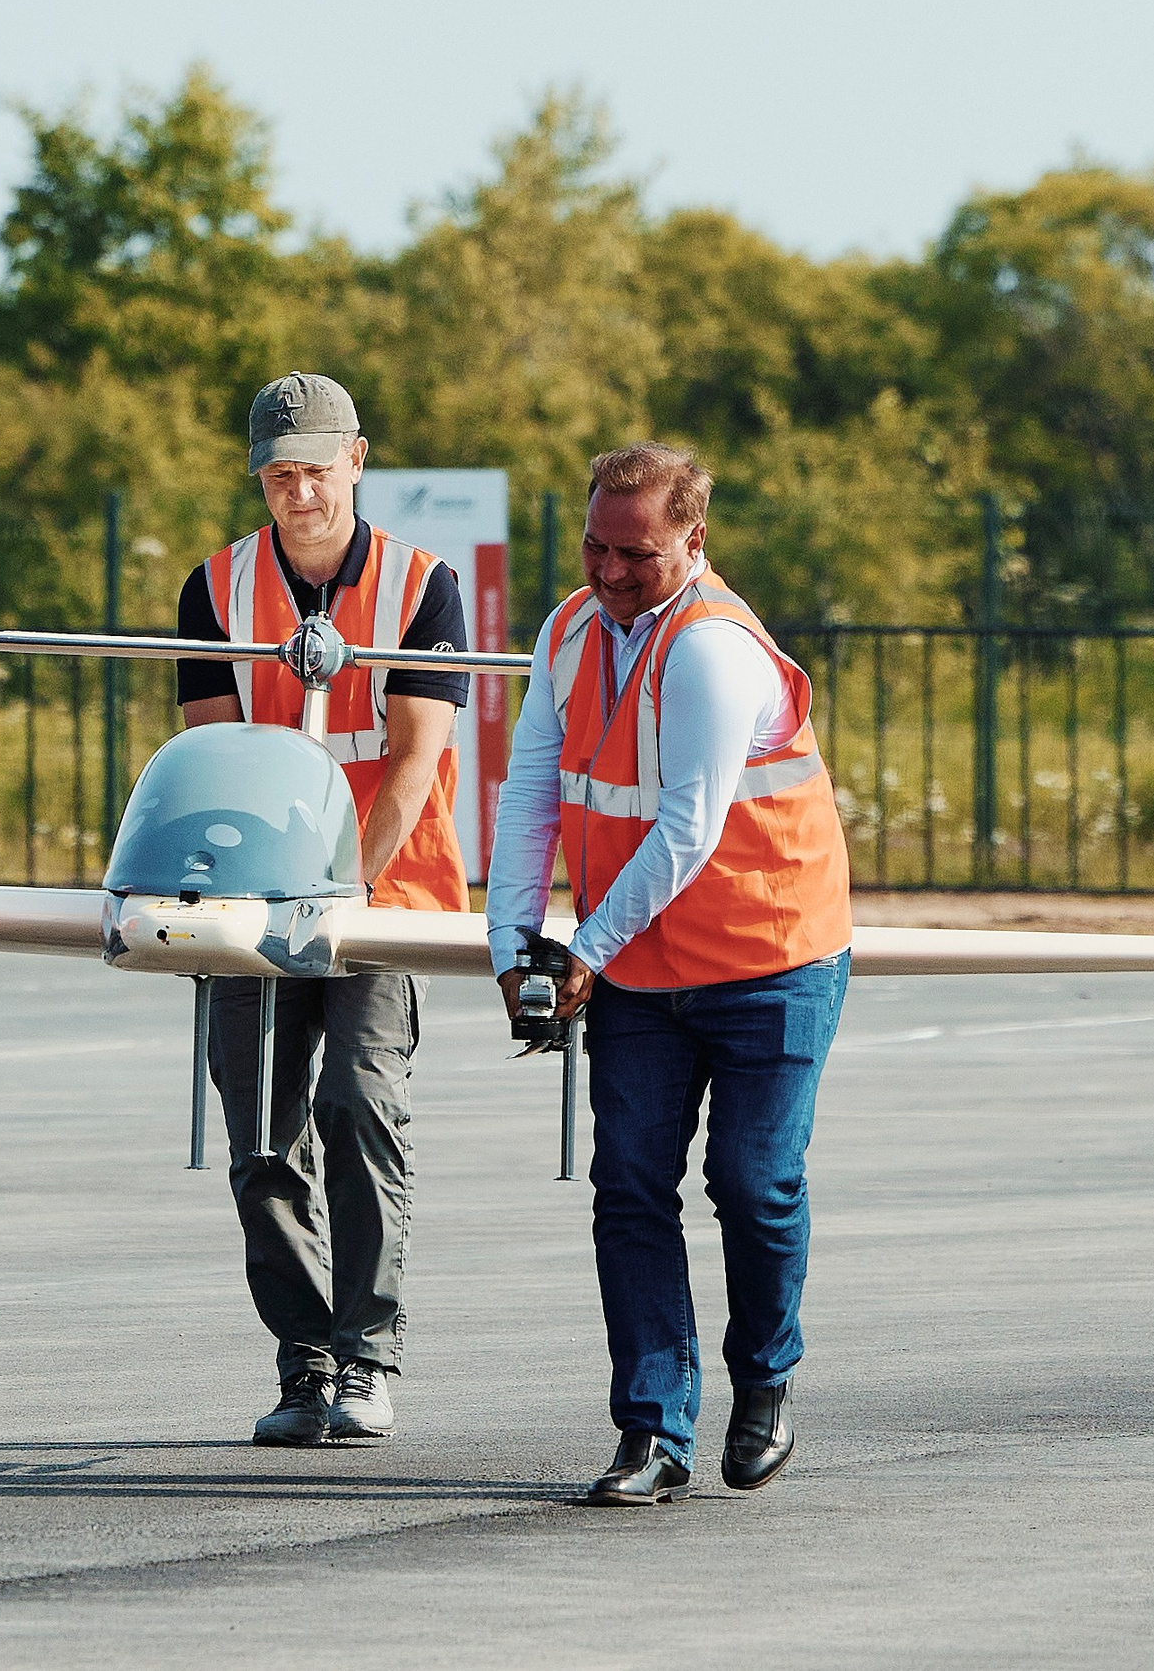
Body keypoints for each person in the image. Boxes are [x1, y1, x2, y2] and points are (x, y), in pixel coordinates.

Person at [486, 441, 851, 1504]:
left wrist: (579, 951)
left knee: (751, 1182)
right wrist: (513, 947)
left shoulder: (709, 650)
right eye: (594, 545)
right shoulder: (567, 630)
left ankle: (765, 1381)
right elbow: (529, 797)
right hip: (642, 971)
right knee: (631, 1189)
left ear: (693, 539)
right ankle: (652, 1431)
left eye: (632, 554)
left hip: (766, 957)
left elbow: (687, 829)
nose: (605, 572)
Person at [175, 371, 471, 1446]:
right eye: (277, 475)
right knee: (259, 1132)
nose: (297, 494)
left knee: (354, 1101)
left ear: (357, 459)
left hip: (379, 897)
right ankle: (304, 1358)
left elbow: (409, 764)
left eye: (314, 471)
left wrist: (334, 896)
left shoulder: (421, 586)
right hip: (251, 910)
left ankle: (368, 1355)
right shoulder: (213, 589)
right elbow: (211, 758)